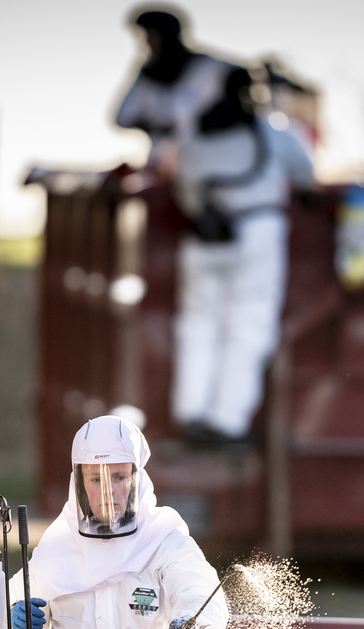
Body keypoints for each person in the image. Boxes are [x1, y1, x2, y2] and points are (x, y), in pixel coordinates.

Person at [9, 415, 228, 629]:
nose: (108, 490)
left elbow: (198, 593)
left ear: (138, 478)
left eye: (119, 477)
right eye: (96, 479)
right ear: (79, 482)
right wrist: (13, 623)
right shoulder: (57, 547)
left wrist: (190, 623)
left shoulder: (165, 541)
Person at [171, 67, 314, 443]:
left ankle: (191, 412)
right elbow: (306, 175)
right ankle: (227, 422)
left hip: (205, 237)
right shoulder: (275, 132)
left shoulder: (193, 137)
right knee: (248, 326)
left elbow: (187, 193)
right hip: (257, 232)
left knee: (200, 326)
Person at [115, 6, 237, 177]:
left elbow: (245, 77)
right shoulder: (147, 77)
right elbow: (122, 117)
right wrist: (155, 125)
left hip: (211, 163)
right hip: (162, 166)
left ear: (166, 35)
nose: (146, 43)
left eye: (150, 36)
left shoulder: (207, 67)